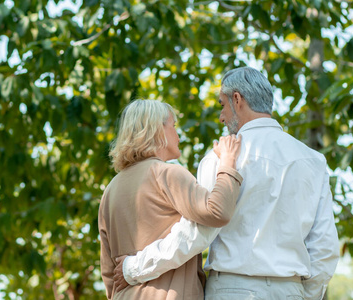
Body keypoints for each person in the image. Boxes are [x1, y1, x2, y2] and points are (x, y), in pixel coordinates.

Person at [115, 67, 340, 300]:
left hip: (233, 289)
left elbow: (197, 233)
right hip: (292, 291)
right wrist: (303, 294)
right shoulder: (313, 161)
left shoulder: (220, 158)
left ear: (237, 99)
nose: (221, 116)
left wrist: (134, 268)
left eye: (222, 105)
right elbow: (324, 248)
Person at [98, 99, 243, 299]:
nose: (177, 134)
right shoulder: (167, 174)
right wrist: (228, 163)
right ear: (157, 130)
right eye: (173, 126)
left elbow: (108, 271)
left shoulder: (110, 191)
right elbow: (218, 211)